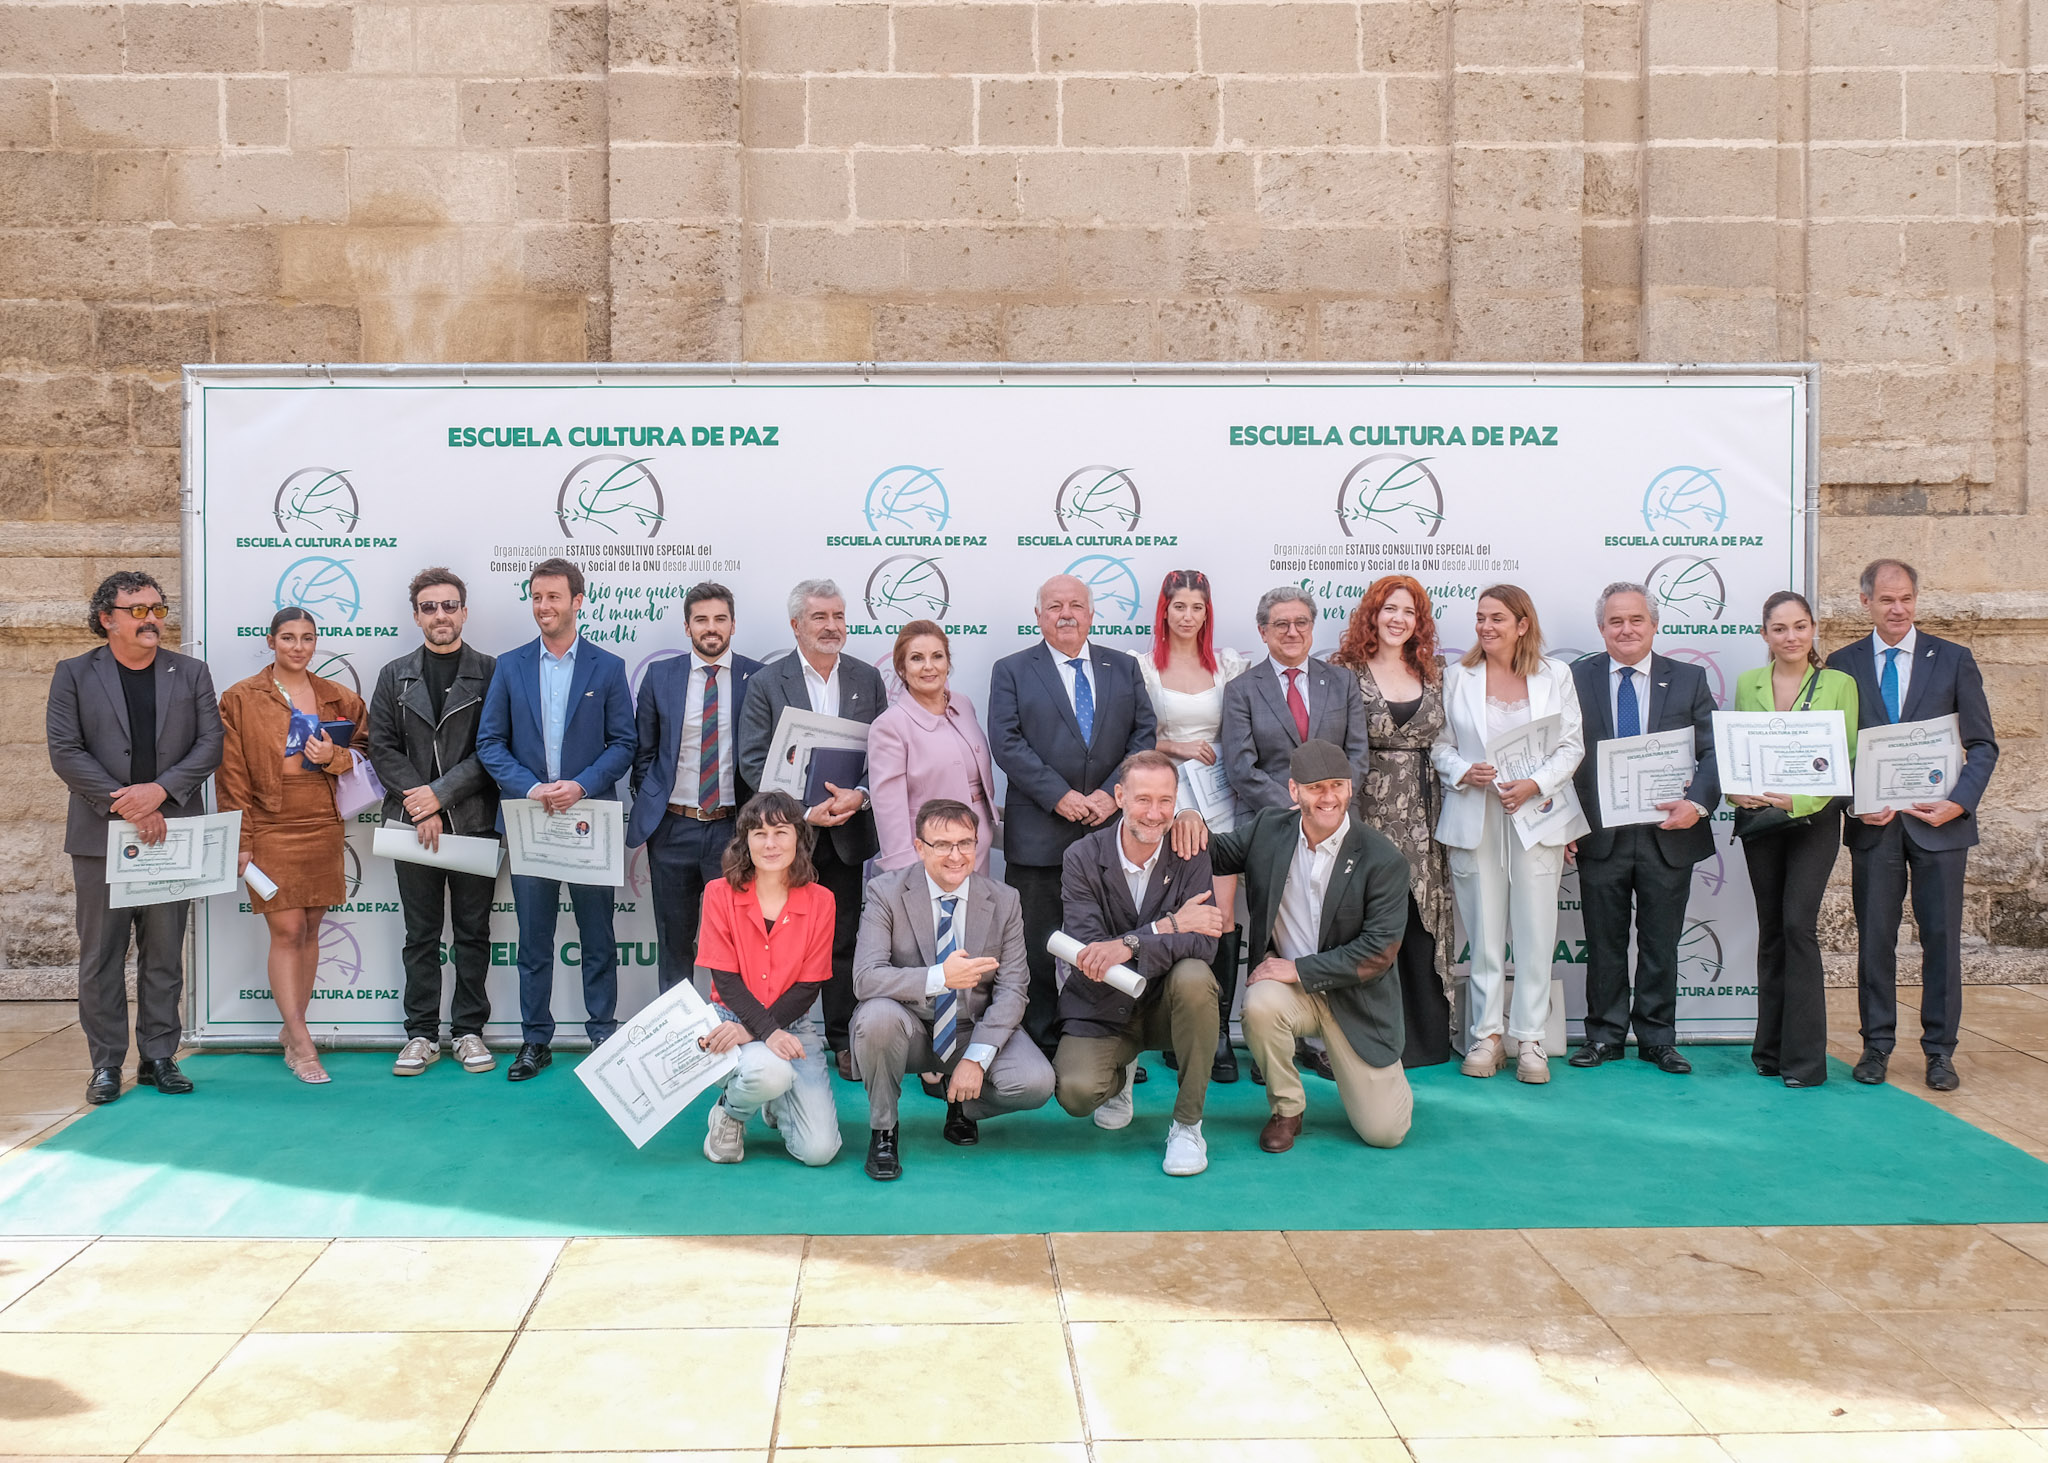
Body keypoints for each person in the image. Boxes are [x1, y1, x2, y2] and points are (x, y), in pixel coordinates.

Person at [46, 571, 222, 1105]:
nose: (151, 620)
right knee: (101, 954)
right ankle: (105, 1064)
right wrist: (129, 802)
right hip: (102, 837)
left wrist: (161, 793)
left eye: (158, 610)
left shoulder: (190, 672)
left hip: (171, 832)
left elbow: (209, 744)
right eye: (138, 610)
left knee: (165, 951)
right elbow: (66, 751)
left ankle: (159, 1057)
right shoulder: (74, 674)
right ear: (107, 619)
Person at [1827, 559, 2000, 1093]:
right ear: (1866, 603)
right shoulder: (1842, 664)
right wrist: (1854, 805)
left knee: (1942, 940)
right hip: (1875, 827)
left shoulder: (1953, 660)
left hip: (1940, 825)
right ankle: (1876, 1046)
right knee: (1874, 939)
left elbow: (1983, 745)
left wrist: (1959, 803)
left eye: (1904, 598)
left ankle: (1940, 1052)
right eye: (1885, 600)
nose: (1896, 608)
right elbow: (1830, 753)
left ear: (1916, 599)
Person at [1200, 739, 1414, 1152]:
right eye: (1316, 787)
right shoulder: (1268, 829)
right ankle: (1287, 1109)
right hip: (1291, 995)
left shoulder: (1382, 858)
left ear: (1350, 789)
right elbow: (1215, 854)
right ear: (1294, 790)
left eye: (1337, 785)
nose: (1328, 797)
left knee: (1385, 1133)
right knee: (1259, 1005)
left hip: (1354, 1000)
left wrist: (1298, 969)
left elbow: (1378, 952)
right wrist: (1189, 817)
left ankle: (1384, 1078)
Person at [477, 556, 635, 1082]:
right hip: (531, 820)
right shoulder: (510, 665)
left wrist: (582, 784)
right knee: (534, 939)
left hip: (590, 820)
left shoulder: (608, 667)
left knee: (598, 935)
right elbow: (490, 744)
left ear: (577, 601)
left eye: (554, 597)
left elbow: (624, 744)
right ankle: (534, 1041)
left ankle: (602, 1035)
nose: (544, 607)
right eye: (537, 597)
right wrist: (533, 787)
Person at [987, 574, 1159, 1054]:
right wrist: (1058, 795)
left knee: (1106, 941)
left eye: (1077, 605)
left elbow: (1143, 735)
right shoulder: (1012, 669)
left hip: (1110, 831)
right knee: (1038, 943)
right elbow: (1006, 741)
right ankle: (1041, 1039)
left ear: (1091, 613)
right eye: (1055, 606)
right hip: (1040, 831)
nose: (1067, 613)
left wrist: (1113, 794)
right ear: (1038, 616)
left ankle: (1107, 1041)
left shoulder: (1122, 668)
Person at [1432, 583, 1588, 1084]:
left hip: (1537, 812)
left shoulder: (1555, 675)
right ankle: (1486, 1035)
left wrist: (1534, 784)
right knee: (1483, 933)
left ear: (1523, 624)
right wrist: (1462, 770)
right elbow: (1437, 745)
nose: (1485, 626)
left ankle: (1531, 1039)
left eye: (1497, 618)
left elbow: (1571, 746)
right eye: (1480, 617)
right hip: (1475, 813)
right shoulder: (1456, 676)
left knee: (1537, 930)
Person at [850, 797, 1053, 1180]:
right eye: (942, 844)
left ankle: (959, 1102)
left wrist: (975, 1059)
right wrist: (940, 977)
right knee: (875, 1016)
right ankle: (884, 1129)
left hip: (968, 1027)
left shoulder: (1005, 900)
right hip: (905, 1025)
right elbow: (866, 978)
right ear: (919, 847)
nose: (956, 855)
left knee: (1036, 1083)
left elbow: (1013, 988)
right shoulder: (885, 892)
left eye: (965, 843)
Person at [1565, 582, 1720, 1075]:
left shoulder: (1689, 679)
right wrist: (1562, 820)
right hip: (1600, 833)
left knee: (1660, 942)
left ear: (1654, 624)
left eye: (1636, 620)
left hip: (1668, 833)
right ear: (1601, 628)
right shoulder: (1575, 678)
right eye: (1615, 621)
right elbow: (1561, 754)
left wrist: (1698, 803)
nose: (1626, 629)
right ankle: (1605, 1036)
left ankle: (1657, 1038)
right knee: (1604, 942)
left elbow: (1714, 750)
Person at [736, 578, 886, 1080]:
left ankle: (843, 1041)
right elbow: (753, 761)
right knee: (775, 944)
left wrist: (859, 796)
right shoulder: (765, 682)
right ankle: (771, 1033)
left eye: (839, 617)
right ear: (796, 624)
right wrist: (803, 813)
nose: (831, 627)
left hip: (845, 835)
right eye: (820, 617)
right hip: (785, 841)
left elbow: (883, 754)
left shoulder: (868, 679)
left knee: (843, 943)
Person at [216, 606, 372, 1085]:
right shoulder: (241, 698)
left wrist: (337, 756)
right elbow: (231, 775)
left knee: (308, 927)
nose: (298, 647)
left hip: (322, 821)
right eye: (288, 638)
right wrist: (241, 840)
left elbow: (368, 752)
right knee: (285, 930)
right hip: (267, 824)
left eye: (307, 638)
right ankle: (302, 1040)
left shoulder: (338, 696)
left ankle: (292, 1028)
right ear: (271, 641)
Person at [1051, 750, 1226, 1176]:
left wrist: (1130, 944)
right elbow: (1092, 952)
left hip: (1168, 1003)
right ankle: (1119, 1077)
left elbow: (1203, 945)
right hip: (1104, 1002)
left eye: (1165, 801)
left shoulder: (1192, 851)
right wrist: (1170, 925)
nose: (1154, 813)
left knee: (1195, 976)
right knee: (1075, 1093)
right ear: (1120, 797)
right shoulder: (1081, 856)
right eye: (1143, 799)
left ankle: (1187, 1126)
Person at [1220, 585, 1369, 1081]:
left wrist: (1325, 804)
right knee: (1271, 931)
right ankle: (1271, 1038)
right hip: (1271, 829)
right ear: (1262, 632)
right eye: (1280, 623)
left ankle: (1322, 1036)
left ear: (1312, 626)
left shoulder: (1342, 682)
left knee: (1325, 928)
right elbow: (1240, 768)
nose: (1292, 631)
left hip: (1333, 828)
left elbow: (1357, 756)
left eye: (1301, 621)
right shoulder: (1242, 689)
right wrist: (1294, 805)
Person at [368, 568, 500, 1077]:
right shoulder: (392, 673)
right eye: (429, 607)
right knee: (420, 935)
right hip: (410, 825)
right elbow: (382, 747)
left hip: (472, 822)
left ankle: (469, 1031)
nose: (439, 615)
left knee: (472, 933)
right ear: (416, 615)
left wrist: (440, 800)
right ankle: (421, 1033)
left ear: (464, 612)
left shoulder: (492, 672)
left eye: (449, 606)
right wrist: (421, 805)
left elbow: (493, 749)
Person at [1732, 591, 1860, 1088]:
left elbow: (1843, 759)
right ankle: (1769, 1050)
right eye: (1780, 629)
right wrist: (1736, 793)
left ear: (1813, 630)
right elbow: (1740, 751)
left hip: (1814, 821)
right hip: (1761, 824)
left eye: (1800, 627)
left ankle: (1806, 1060)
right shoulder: (1749, 684)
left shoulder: (1838, 684)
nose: (1791, 637)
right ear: (1765, 634)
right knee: (1771, 929)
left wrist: (1797, 801)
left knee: (1798, 926)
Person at [1331, 574, 1456, 1068]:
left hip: (1428, 809)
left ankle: (1424, 1039)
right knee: (1369, 916)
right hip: (1364, 805)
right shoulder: (1343, 671)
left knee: (1422, 915)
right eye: (1388, 609)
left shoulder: (1439, 671)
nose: (1397, 619)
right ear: (1372, 615)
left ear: (1419, 621)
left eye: (1408, 611)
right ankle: (1363, 1035)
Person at [1137, 569, 1250, 1082]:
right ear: (1164, 610)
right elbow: (1136, 736)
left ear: (1208, 613)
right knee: (1173, 908)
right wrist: (1175, 748)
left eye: (1197, 607)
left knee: (1222, 915)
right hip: (1166, 798)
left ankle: (1220, 1030)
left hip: (1221, 797)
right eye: (1178, 606)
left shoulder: (1227, 666)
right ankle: (1172, 1026)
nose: (1187, 616)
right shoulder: (1143, 669)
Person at [626, 581, 763, 994]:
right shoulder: (660, 676)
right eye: (701, 619)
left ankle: (739, 1029)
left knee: (740, 941)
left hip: (734, 830)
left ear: (733, 625)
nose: (711, 628)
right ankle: (678, 1039)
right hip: (672, 828)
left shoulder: (756, 677)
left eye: (720, 619)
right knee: (673, 942)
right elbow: (644, 751)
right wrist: (652, 803)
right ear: (687, 627)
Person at [697, 790, 843, 1168]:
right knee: (770, 1070)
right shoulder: (719, 893)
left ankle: (775, 1100)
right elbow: (725, 978)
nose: (770, 843)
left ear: (800, 837)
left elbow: (809, 985)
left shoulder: (821, 900)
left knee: (819, 1152)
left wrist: (759, 1030)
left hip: (790, 1023)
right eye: (758, 833)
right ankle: (731, 1112)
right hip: (729, 1021)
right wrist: (757, 1029)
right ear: (745, 841)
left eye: (780, 832)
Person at [868, 621, 999, 874]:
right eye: (917, 658)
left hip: (977, 846)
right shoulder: (889, 726)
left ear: (947, 663)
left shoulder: (963, 704)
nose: (929, 666)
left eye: (937, 656)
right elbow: (888, 809)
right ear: (902, 669)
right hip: (930, 854)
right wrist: (904, 873)